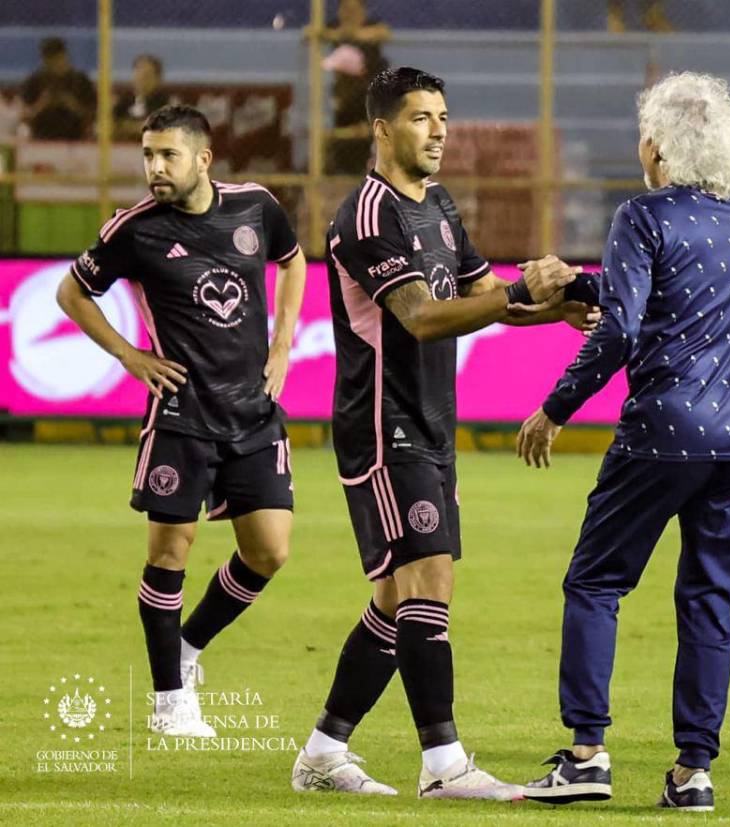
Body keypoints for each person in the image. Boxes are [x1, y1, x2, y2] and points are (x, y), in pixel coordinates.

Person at [290, 67, 598, 799]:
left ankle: (324, 749)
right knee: (430, 576)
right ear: (382, 129)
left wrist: (549, 308)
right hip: (381, 425)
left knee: (403, 598)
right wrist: (519, 294)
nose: (439, 131)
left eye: (444, 117)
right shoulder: (368, 215)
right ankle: (444, 764)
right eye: (423, 117)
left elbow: (482, 300)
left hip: (429, 422)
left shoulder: (439, 207)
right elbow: (423, 315)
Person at [516, 71, 730, 813]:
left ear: (653, 145)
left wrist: (555, 407)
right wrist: (578, 283)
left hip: (665, 428)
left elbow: (624, 325)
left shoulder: (643, 213)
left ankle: (586, 753)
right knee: (709, 601)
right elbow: (664, 293)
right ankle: (694, 772)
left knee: (595, 582)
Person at [56, 104, 307, 737]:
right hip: (180, 417)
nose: (154, 168)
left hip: (253, 413)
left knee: (270, 552)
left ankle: (188, 648)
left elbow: (294, 260)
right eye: (147, 155)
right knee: (172, 551)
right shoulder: (133, 230)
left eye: (167, 155)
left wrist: (282, 345)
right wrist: (129, 354)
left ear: (203, 159)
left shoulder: (256, 206)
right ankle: (170, 702)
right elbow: (71, 293)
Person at [324, 0, 390, 174]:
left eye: (353, 9)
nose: (348, 13)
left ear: (362, 11)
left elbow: (383, 32)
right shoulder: (335, 26)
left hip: (369, 89)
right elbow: (314, 32)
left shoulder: (372, 25)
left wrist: (356, 34)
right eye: (344, 9)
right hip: (348, 92)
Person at [20, 37, 97, 140]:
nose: (54, 63)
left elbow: (94, 116)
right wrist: (41, 104)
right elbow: (24, 117)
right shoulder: (34, 82)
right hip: (42, 139)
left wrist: (73, 105)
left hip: (76, 139)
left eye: (57, 58)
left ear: (65, 56)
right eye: (49, 59)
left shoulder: (81, 82)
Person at [114, 55, 170, 141]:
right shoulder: (124, 100)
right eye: (138, 73)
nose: (141, 78)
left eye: (147, 75)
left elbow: (157, 129)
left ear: (158, 79)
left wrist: (126, 127)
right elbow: (106, 127)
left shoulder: (166, 103)